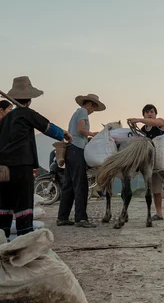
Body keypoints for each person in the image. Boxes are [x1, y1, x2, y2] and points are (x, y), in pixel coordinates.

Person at [0, 76, 72, 238]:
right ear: (30, 100)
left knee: (5, 203)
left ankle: (0, 238)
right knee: (23, 203)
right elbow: (47, 127)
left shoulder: (4, 120)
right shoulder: (27, 114)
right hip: (22, 166)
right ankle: (25, 238)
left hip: (5, 168)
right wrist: (64, 134)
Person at [128, 104, 164, 222]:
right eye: (147, 112)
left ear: (155, 114)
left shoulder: (161, 123)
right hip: (154, 164)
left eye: (152, 112)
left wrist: (138, 120)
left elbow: (155, 123)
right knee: (156, 190)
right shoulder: (143, 131)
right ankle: (159, 213)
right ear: (144, 114)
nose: (149, 114)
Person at [57, 94, 106, 228]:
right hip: (77, 150)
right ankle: (81, 218)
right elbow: (80, 129)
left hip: (71, 150)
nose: (92, 111)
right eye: (93, 108)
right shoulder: (83, 111)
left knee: (68, 185)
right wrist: (92, 134)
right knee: (81, 185)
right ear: (89, 104)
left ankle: (62, 217)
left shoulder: (76, 112)